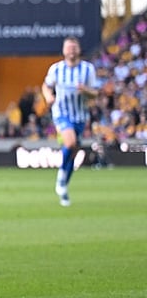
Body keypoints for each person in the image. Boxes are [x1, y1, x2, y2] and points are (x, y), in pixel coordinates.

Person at [41, 36, 99, 206]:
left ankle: (64, 185)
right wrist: (48, 96)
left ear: (78, 50)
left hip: (80, 115)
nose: (71, 50)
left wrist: (85, 90)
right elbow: (46, 86)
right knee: (70, 141)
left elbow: (95, 93)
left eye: (74, 47)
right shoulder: (56, 69)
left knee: (73, 151)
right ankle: (61, 176)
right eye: (69, 47)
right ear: (64, 50)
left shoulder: (88, 69)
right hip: (61, 112)